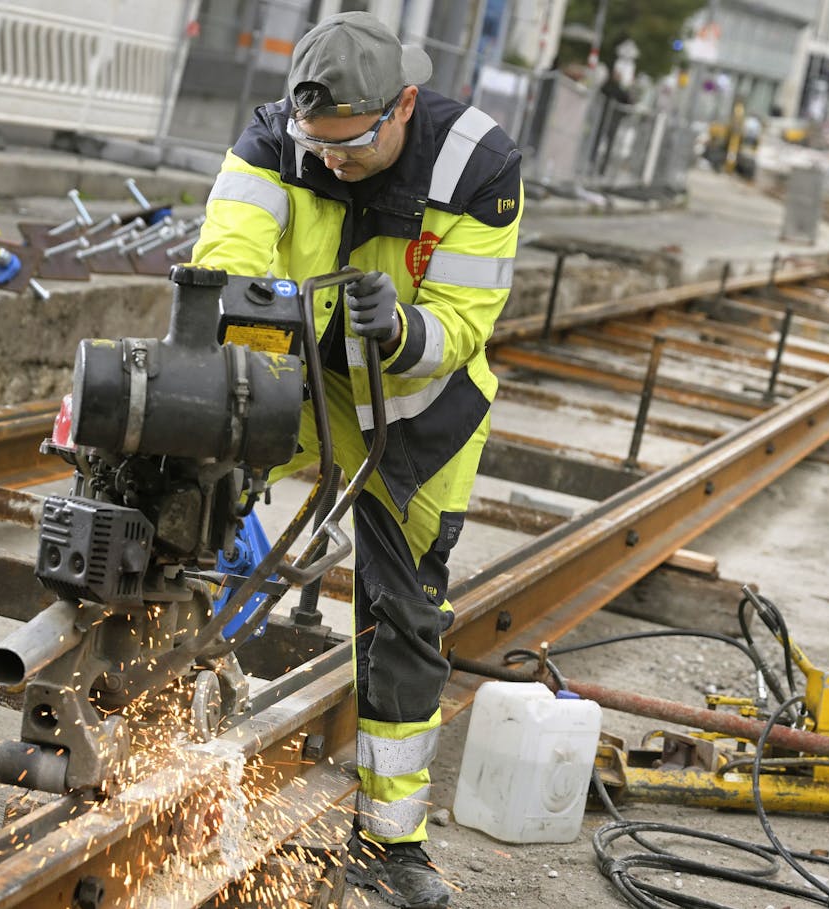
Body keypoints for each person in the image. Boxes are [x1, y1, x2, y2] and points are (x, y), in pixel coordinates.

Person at [190, 12, 522, 908]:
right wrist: (239, 415)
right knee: (174, 490)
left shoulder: (478, 167)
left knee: (404, 617)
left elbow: (462, 325)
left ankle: (391, 843)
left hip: (415, 410)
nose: (331, 161)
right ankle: (155, 712)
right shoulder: (273, 142)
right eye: (318, 145)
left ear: (403, 106)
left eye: (352, 145)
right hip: (296, 377)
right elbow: (224, 267)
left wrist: (406, 326)